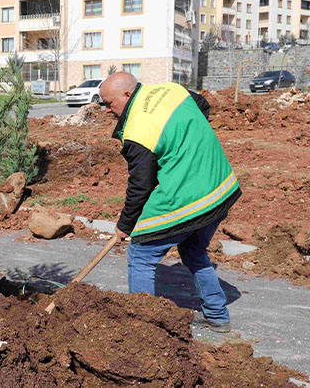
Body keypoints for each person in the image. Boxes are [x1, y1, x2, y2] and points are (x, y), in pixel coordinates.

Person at [100, 72, 241, 333]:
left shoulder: (136, 131)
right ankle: (217, 316)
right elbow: (202, 105)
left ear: (127, 95)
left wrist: (125, 226)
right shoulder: (172, 91)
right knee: (193, 250)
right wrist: (188, 146)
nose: (107, 110)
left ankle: (143, 330)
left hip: (189, 197)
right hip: (222, 185)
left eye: (109, 103)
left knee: (140, 254)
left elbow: (141, 186)